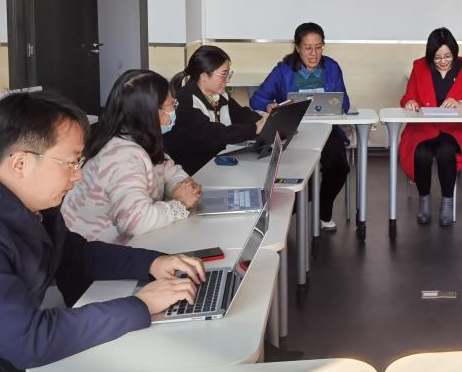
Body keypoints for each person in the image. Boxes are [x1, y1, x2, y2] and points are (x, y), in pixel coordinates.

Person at [0, 91, 205, 372]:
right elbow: (28, 340)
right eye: (71, 163)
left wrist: (154, 262)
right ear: (20, 163)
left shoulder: (26, 204)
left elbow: (76, 256)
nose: (79, 175)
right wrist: (140, 305)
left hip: (2, 362)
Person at [62, 70, 202, 243]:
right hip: (95, 251)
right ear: (150, 111)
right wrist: (180, 203)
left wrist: (181, 188)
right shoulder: (122, 156)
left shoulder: (138, 139)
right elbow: (135, 222)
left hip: (129, 245)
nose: (174, 109)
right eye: (171, 104)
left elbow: (171, 172)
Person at [250, 22, 351, 231]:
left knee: (339, 166)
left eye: (318, 47)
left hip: (326, 131)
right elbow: (257, 100)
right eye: (307, 48)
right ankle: (282, 216)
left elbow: (345, 102)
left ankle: (323, 210)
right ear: (297, 47)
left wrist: (336, 104)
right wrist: (269, 105)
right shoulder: (283, 70)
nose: (314, 53)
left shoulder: (332, 67)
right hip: (293, 132)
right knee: (302, 174)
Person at [400, 28, 462, 227]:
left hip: (454, 129)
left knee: (445, 150)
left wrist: (461, 104)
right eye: (437, 57)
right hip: (424, 128)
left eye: (447, 56)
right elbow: (408, 96)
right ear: (430, 55)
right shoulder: (420, 68)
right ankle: (424, 201)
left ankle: (447, 203)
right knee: (421, 152)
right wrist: (410, 102)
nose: (443, 61)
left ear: (454, 53)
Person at [163, 45, 267, 175]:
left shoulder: (219, 95)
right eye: (223, 75)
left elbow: (242, 115)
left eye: (228, 74)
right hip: (194, 174)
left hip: (217, 166)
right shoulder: (184, 102)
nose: (227, 80)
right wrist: (254, 128)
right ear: (204, 75)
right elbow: (213, 135)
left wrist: (266, 121)